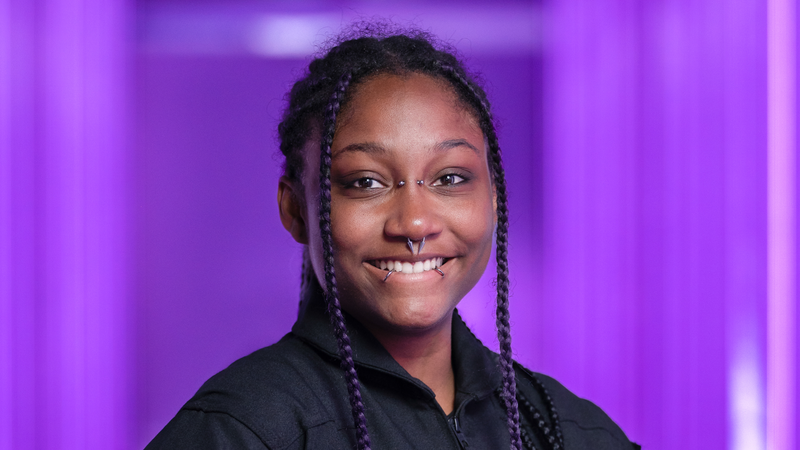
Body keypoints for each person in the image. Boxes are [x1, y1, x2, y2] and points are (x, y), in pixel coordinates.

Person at [146, 26, 639, 450]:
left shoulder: (566, 429)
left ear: (493, 199)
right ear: (295, 208)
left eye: (449, 178)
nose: (415, 223)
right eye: (366, 182)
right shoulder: (244, 429)